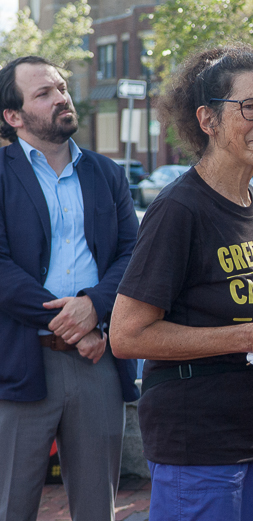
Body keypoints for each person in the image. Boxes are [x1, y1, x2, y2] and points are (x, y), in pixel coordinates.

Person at [109, 45, 253, 521]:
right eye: (251, 107)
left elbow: (246, 312)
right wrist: (247, 336)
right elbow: (126, 334)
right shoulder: (179, 209)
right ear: (208, 120)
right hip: (196, 444)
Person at [0, 56, 139, 521]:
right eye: (43, 93)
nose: (61, 97)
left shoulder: (107, 173)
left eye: (61, 87)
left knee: (98, 508)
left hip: (97, 361)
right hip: (20, 361)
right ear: (13, 116)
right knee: (11, 506)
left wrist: (94, 308)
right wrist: (73, 319)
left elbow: (133, 256)